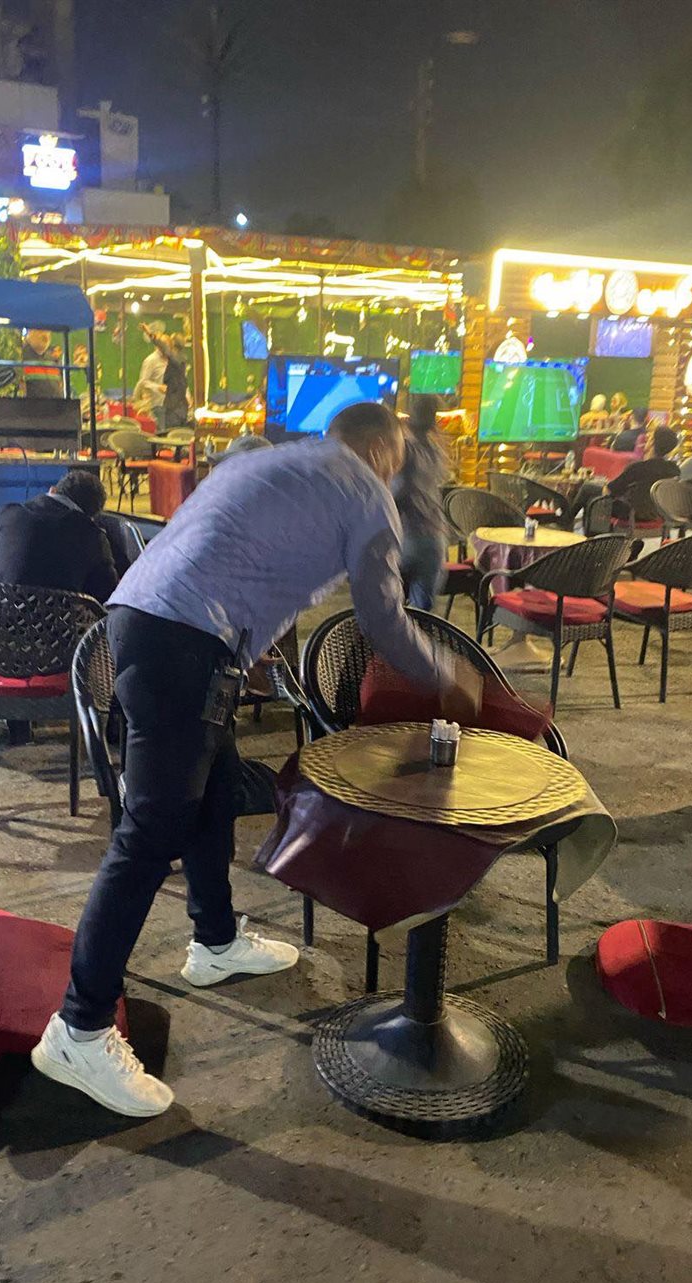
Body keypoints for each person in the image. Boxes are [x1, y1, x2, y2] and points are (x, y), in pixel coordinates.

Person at [30, 402, 482, 1116]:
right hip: (184, 642)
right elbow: (382, 617)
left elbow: (234, 551)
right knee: (149, 834)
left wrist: (249, 647)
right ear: (380, 449)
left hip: (146, 622)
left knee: (212, 792)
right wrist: (446, 675)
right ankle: (79, 1028)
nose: (395, 475)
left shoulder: (266, 460)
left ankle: (214, 940)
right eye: (395, 461)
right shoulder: (366, 489)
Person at [0, 469, 119, 604]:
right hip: (58, 616)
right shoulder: (91, 534)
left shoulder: (6, 513)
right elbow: (108, 593)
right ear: (91, 516)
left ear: (53, 490)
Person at [393, 394, 450, 611]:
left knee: (391, 609)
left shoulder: (404, 450)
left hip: (406, 536)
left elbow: (399, 492)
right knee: (422, 613)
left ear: (407, 419)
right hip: (435, 537)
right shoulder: (435, 452)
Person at [604, 425, 681, 521]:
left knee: (591, 490)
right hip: (659, 516)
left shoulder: (638, 468)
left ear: (652, 442)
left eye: (649, 436)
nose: (646, 438)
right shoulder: (674, 470)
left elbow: (610, 490)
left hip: (632, 514)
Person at [22, 329, 63, 399]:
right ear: (30, 331)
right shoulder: (20, 356)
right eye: (41, 330)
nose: (46, 335)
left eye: (48, 331)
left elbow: (61, 385)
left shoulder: (54, 359)